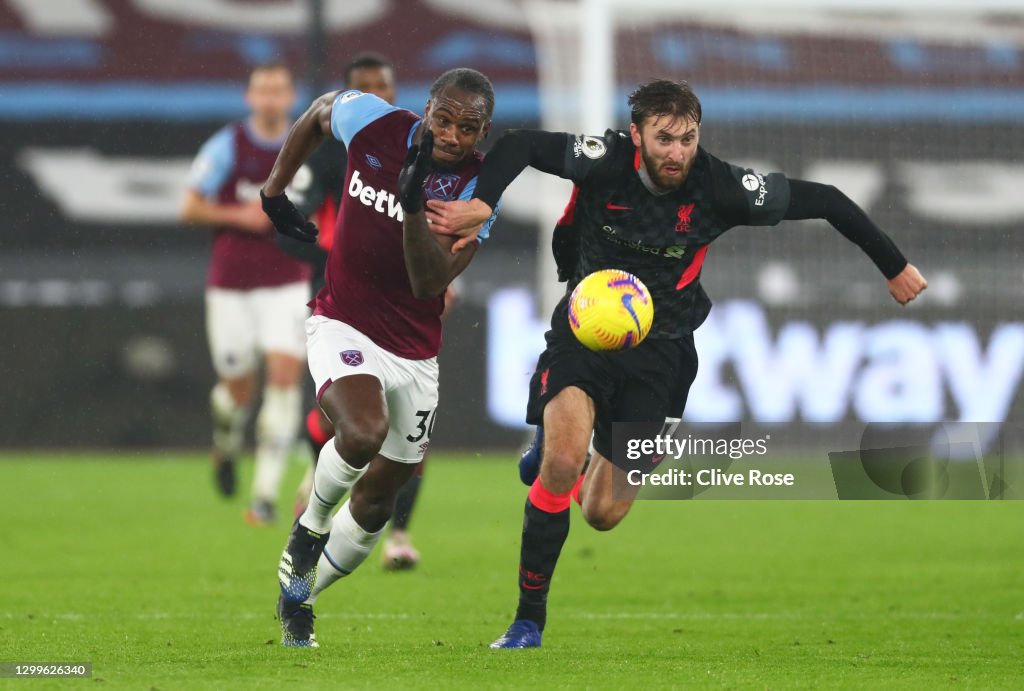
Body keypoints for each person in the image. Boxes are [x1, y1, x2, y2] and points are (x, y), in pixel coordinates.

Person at [424, 79, 928, 649]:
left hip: (662, 357)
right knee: (561, 465)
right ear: (636, 135)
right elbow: (517, 145)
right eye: (664, 139)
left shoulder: (722, 187)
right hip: (583, 338)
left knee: (603, 513)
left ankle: (569, 445)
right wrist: (483, 202)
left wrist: (894, 265)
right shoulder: (605, 161)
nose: (677, 152)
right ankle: (527, 620)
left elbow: (829, 200)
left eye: (688, 138)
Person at [259, 67, 498, 647]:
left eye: (467, 129)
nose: (450, 135)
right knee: (363, 432)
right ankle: (308, 532)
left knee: (377, 502)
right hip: (342, 320)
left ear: (482, 132)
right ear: (426, 108)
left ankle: (300, 597)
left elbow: (429, 283)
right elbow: (319, 112)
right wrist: (274, 189)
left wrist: (413, 201)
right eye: (442, 118)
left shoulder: (475, 194)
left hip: (415, 353)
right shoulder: (374, 122)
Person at [276, 53, 433, 570]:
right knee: (351, 424)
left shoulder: (423, 152)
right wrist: (339, 256)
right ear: (351, 95)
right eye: (364, 88)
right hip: (339, 303)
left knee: (408, 435)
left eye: (383, 86)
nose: (377, 96)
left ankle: (398, 534)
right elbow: (294, 225)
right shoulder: (329, 155)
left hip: (408, 305)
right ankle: (317, 499)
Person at [179, 61, 311, 526]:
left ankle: (264, 496)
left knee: (282, 379)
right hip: (232, 285)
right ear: (250, 97)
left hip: (288, 282)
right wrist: (242, 215)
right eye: (263, 90)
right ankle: (226, 442)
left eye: (279, 90)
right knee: (237, 387)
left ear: (291, 97)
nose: (271, 99)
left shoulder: (308, 146)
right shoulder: (228, 145)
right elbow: (190, 205)